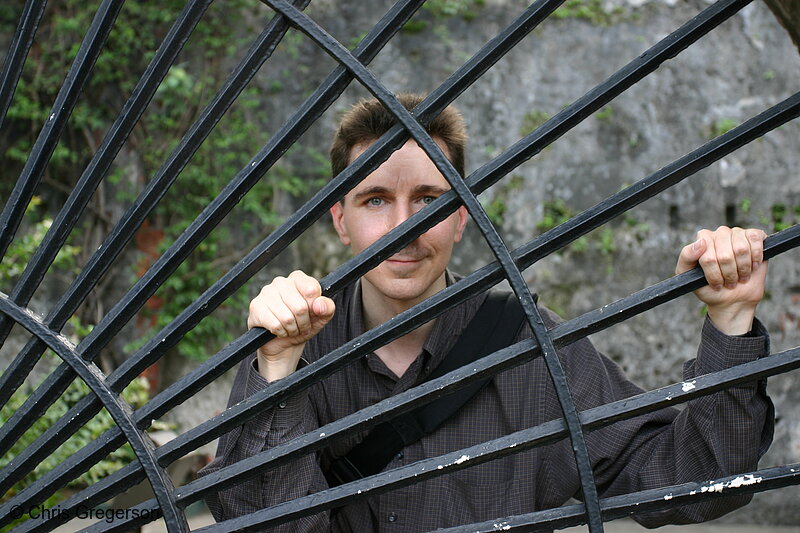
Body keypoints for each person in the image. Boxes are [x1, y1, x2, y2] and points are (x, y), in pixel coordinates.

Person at [200, 94, 773, 532]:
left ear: (460, 216)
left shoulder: (530, 347)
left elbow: (694, 477)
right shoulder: (300, 353)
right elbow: (260, 523)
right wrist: (275, 372)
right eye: (376, 199)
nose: (403, 227)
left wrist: (731, 321)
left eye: (429, 199)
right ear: (341, 219)